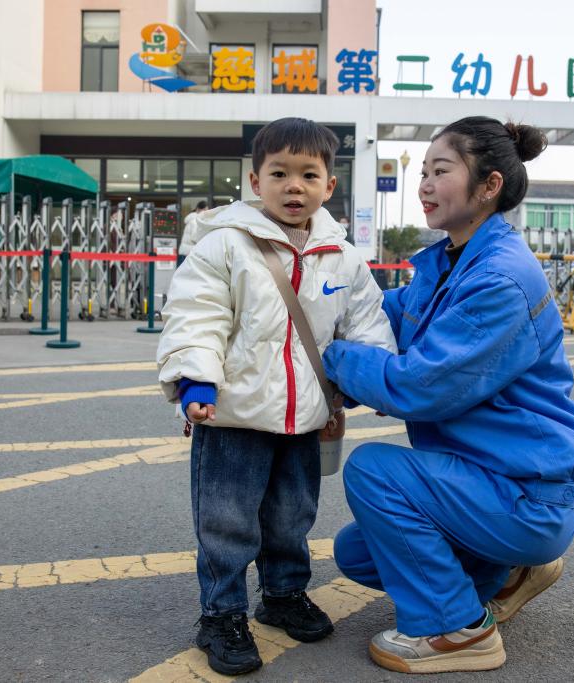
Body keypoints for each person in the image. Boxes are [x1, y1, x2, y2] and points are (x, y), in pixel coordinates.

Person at [322, 116, 574, 674]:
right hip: (486, 479)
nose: (423, 184)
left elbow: (418, 385)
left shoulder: (498, 278)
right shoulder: (448, 261)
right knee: (357, 553)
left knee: (373, 471)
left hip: (524, 492)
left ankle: (457, 630)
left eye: (440, 171)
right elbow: (382, 323)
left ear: (489, 185)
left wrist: (331, 359)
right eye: (422, 172)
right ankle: (512, 571)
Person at [156, 117, 396, 676]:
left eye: (309, 175)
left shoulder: (343, 256)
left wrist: (372, 382)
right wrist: (195, 380)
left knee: (293, 517)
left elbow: (366, 325)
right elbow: (196, 316)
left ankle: (284, 595)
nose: (294, 186)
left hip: (306, 418)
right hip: (232, 415)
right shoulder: (224, 245)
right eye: (279, 173)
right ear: (254, 180)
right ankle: (221, 613)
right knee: (228, 522)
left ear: (329, 186)